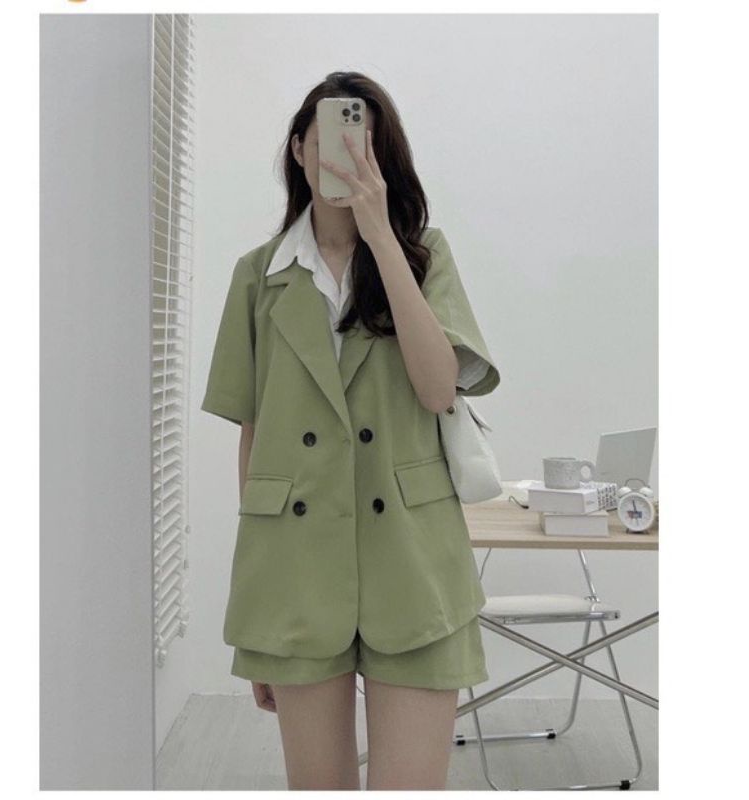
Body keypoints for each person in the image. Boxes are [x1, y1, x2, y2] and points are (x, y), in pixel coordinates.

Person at [201, 71, 501, 790]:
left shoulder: (424, 255)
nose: (343, 155)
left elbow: (438, 388)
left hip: (414, 563)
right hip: (297, 575)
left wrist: (381, 238)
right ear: (299, 150)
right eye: (328, 139)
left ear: (382, 156)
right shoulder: (257, 276)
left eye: (361, 141)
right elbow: (254, 438)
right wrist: (260, 615)